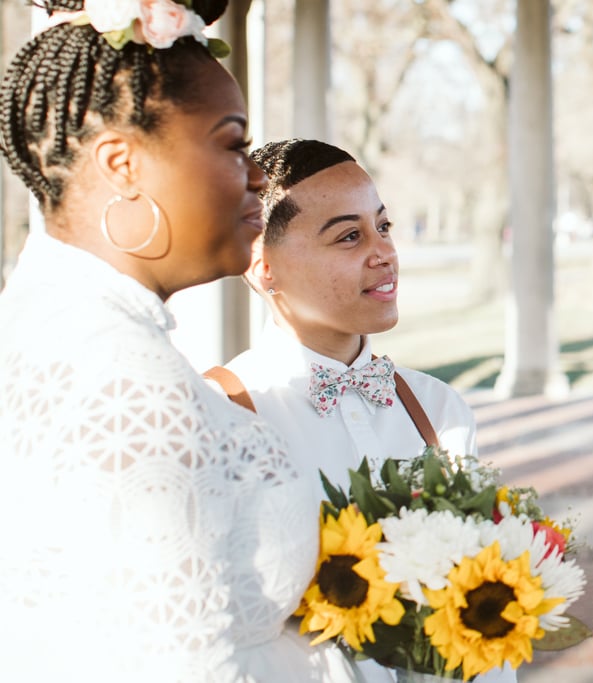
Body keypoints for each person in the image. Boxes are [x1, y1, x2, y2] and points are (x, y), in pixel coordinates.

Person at [0, 3, 361, 681]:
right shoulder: (123, 383)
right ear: (122, 163)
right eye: (232, 143)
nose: (259, 176)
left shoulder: (48, 320)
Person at [208, 138, 515, 682]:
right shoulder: (221, 412)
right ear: (263, 265)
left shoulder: (439, 410)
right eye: (349, 236)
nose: (384, 252)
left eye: (384, 227)